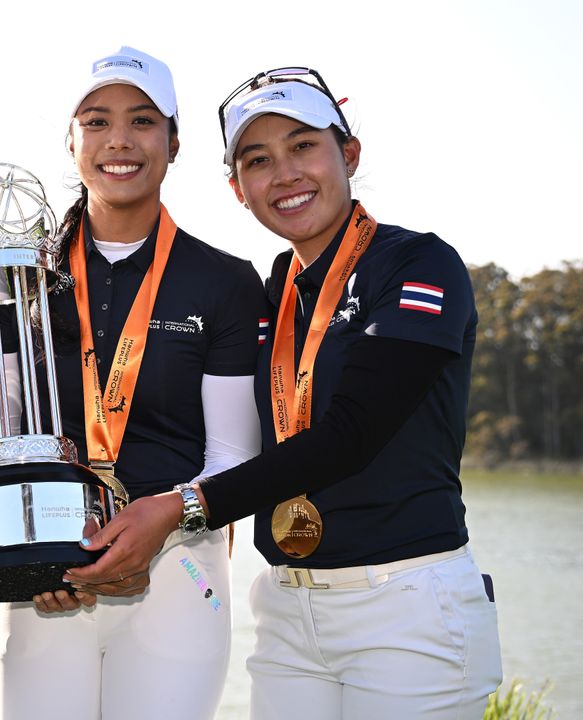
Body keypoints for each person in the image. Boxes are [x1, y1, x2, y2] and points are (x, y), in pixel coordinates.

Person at [65, 67, 503, 718]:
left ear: (347, 154)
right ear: (238, 189)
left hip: (405, 604)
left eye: (303, 146)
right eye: (257, 160)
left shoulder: (416, 263)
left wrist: (180, 509)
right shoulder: (271, 294)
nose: (285, 174)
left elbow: (351, 436)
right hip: (288, 608)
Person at [0, 47, 268, 720]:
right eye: (96, 121)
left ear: (173, 143)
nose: (118, 140)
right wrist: (26, 558)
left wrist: (160, 532)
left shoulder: (225, 281)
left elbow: (231, 457)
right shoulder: (14, 276)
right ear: (72, 141)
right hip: (50, 574)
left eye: (142, 122)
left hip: (184, 568)